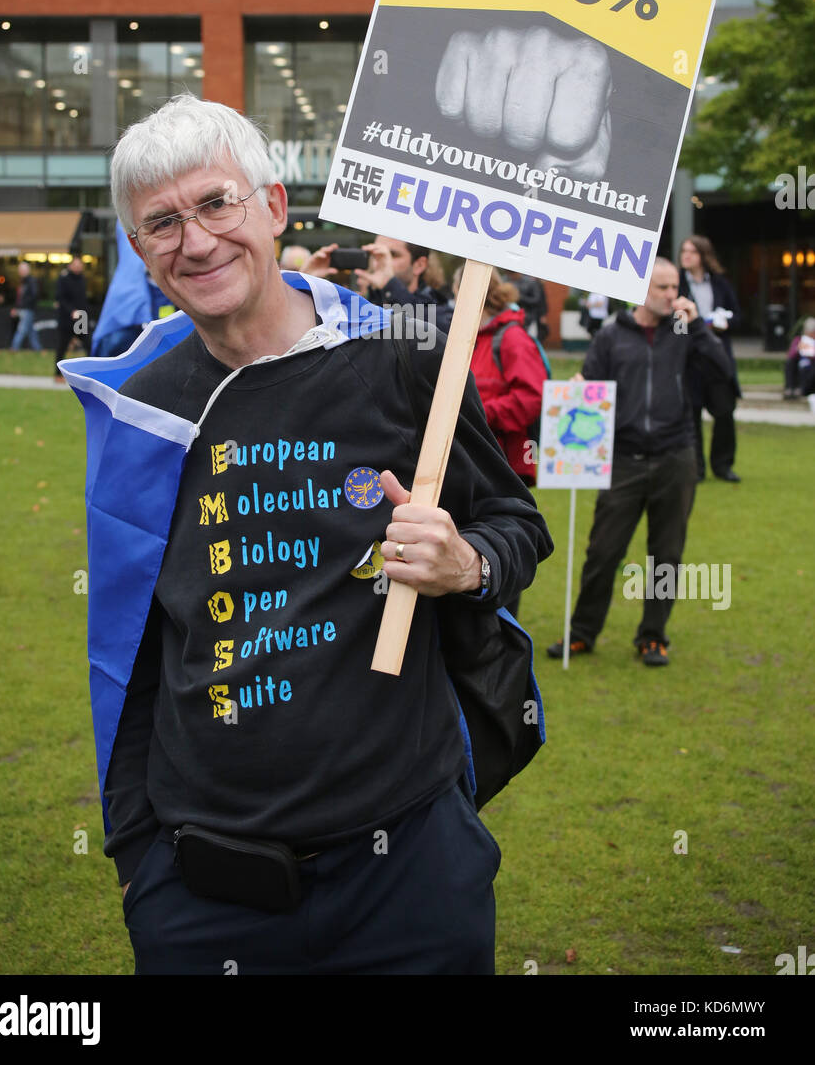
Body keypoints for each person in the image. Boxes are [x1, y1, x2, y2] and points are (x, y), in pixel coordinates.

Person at [61, 94, 552, 976]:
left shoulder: (401, 361)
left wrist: (465, 561)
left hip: (409, 876)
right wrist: (140, 864)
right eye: (162, 224)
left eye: (217, 204)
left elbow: (516, 522)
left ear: (275, 206)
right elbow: (130, 653)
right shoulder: (141, 408)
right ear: (140, 251)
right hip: (203, 894)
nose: (197, 241)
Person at [546, 258, 733, 668]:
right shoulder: (612, 336)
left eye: (674, 287)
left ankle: (652, 637)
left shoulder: (684, 331)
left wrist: (698, 325)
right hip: (622, 460)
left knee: (665, 554)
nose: (671, 295)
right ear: (639, 290)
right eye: (662, 287)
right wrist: (578, 390)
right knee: (603, 552)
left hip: (676, 456)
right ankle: (582, 633)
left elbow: (725, 375)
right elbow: (590, 389)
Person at [452, 266, 548, 492]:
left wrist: (478, 415)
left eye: (454, 294)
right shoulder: (470, 339)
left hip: (505, 466)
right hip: (477, 461)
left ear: (465, 292)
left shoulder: (512, 337)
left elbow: (531, 398)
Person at [678, 235, 742, 482]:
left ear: (703, 255)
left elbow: (738, 317)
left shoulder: (720, 284)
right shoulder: (677, 284)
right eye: (684, 251)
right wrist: (687, 325)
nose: (686, 256)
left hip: (717, 358)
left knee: (725, 412)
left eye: (692, 251)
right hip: (690, 359)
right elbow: (674, 326)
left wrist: (723, 323)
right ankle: (697, 469)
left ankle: (723, 465)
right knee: (691, 415)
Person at [53, 255, 90, 382]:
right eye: (76, 265)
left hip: (81, 318)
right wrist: (71, 311)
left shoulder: (82, 279)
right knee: (62, 347)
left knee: (88, 344)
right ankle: (57, 374)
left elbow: (82, 300)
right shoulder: (64, 279)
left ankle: (90, 373)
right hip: (67, 319)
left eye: (80, 265)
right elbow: (61, 299)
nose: (79, 267)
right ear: (70, 266)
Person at [10, 262, 42, 351]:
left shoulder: (31, 281)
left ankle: (14, 348)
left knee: (22, 329)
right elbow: (20, 297)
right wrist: (17, 308)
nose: (21, 272)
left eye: (22, 270)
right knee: (31, 331)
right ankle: (38, 349)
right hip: (24, 309)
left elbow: (33, 295)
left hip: (27, 309)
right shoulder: (22, 282)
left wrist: (22, 306)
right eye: (20, 270)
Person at [783, 318, 815, 402]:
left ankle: (802, 389)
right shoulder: (798, 340)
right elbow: (791, 354)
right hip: (799, 363)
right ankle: (789, 389)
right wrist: (798, 349)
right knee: (789, 363)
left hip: (811, 365)